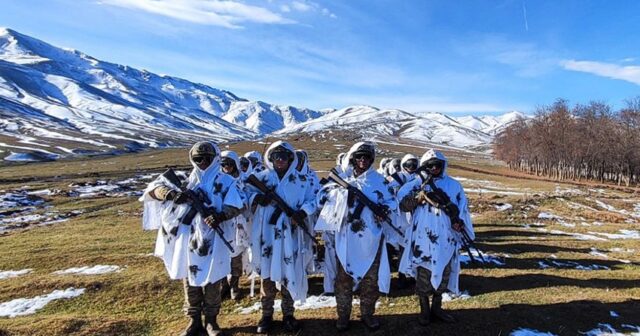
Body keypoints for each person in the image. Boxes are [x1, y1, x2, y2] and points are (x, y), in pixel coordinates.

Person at [140, 141, 244, 336]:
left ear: (215, 159)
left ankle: (211, 321)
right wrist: (170, 194)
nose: (203, 162)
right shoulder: (184, 180)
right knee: (189, 279)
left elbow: (238, 204)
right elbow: (152, 190)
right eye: (198, 159)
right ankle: (193, 320)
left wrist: (221, 215)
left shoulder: (227, 181)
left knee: (213, 280)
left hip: (214, 239)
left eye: (207, 158)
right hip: (187, 239)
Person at [315, 141, 396, 331]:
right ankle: (343, 316)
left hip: (371, 239)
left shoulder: (379, 181)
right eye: (359, 157)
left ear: (371, 159)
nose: (362, 161)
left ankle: (367, 315)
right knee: (343, 280)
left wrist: (384, 209)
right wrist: (343, 195)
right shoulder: (342, 179)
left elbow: (393, 201)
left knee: (370, 280)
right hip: (346, 239)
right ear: (353, 158)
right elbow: (321, 198)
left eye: (366, 157)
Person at [397, 149, 475, 326]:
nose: (434, 168)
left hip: (446, 236)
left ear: (443, 165)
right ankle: (424, 310)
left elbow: (462, 208)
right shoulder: (415, 183)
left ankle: (437, 308)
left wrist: (459, 223)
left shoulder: (454, 185)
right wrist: (419, 197)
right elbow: (403, 205)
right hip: (422, 237)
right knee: (424, 274)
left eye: (437, 165)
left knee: (444, 272)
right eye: (430, 165)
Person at [247, 141, 317, 333]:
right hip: (266, 236)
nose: (280, 160)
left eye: (284, 157)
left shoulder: (301, 181)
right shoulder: (260, 178)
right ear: (270, 158)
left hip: (291, 236)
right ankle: (266, 316)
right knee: (267, 277)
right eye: (276, 156)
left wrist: (302, 213)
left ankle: (288, 315)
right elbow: (244, 195)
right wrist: (258, 199)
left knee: (289, 273)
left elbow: (314, 199)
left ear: (291, 159)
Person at [219, 150, 251, 301]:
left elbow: (248, 197)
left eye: (230, 164)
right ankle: (223, 283)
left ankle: (234, 285)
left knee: (236, 255)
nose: (227, 167)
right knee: (221, 254)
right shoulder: (217, 181)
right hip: (222, 222)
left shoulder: (243, 179)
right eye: (223, 164)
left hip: (239, 222)